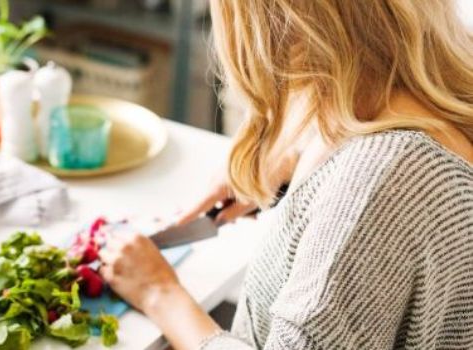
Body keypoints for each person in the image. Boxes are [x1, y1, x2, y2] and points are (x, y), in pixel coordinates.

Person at [98, 0, 473, 349]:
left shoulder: (379, 180)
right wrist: (302, 166)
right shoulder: (438, 92)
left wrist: (158, 293)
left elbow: (379, 198)